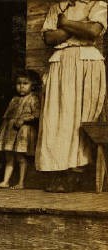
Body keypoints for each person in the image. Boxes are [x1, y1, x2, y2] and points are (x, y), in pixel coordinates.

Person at [36, 0, 107, 192]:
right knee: (57, 118)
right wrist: (80, 26)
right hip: (60, 62)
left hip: (87, 63)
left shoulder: (97, 4)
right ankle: (57, 171)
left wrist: (65, 23)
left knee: (81, 119)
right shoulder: (57, 8)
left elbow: (93, 32)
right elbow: (50, 38)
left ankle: (75, 173)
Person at [0, 70, 41, 190]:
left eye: (25, 83)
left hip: (23, 131)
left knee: (20, 157)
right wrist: (1, 129)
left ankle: (21, 182)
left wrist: (24, 119)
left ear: (32, 85)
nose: (21, 86)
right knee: (9, 157)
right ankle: (5, 181)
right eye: (18, 83)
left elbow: (37, 114)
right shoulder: (14, 99)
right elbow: (7, 116)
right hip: (9, 131)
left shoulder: (33, 98)